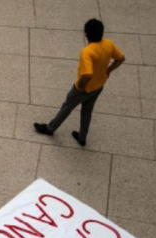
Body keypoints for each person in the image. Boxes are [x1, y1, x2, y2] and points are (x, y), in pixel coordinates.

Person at [33, 19, 125, 147]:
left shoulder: (87, 52)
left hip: (83, 89)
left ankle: (50, 128)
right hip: (99, 86)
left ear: (86, 34)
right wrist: (108, 70)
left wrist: (80, 86)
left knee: (67, 107)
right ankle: (82, 137)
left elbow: (87, 74)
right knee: (87, 111)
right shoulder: (109, 44)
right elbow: (121, 59)